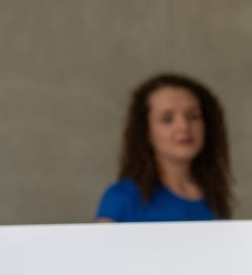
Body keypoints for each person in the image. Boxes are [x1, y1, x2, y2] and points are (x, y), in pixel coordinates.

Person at [95, 73, 233, 222]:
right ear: (146, 131)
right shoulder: (123, 197)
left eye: (193, 116)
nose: (184, 126)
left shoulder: (214, 197)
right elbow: (97, 245)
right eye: (167, 119)